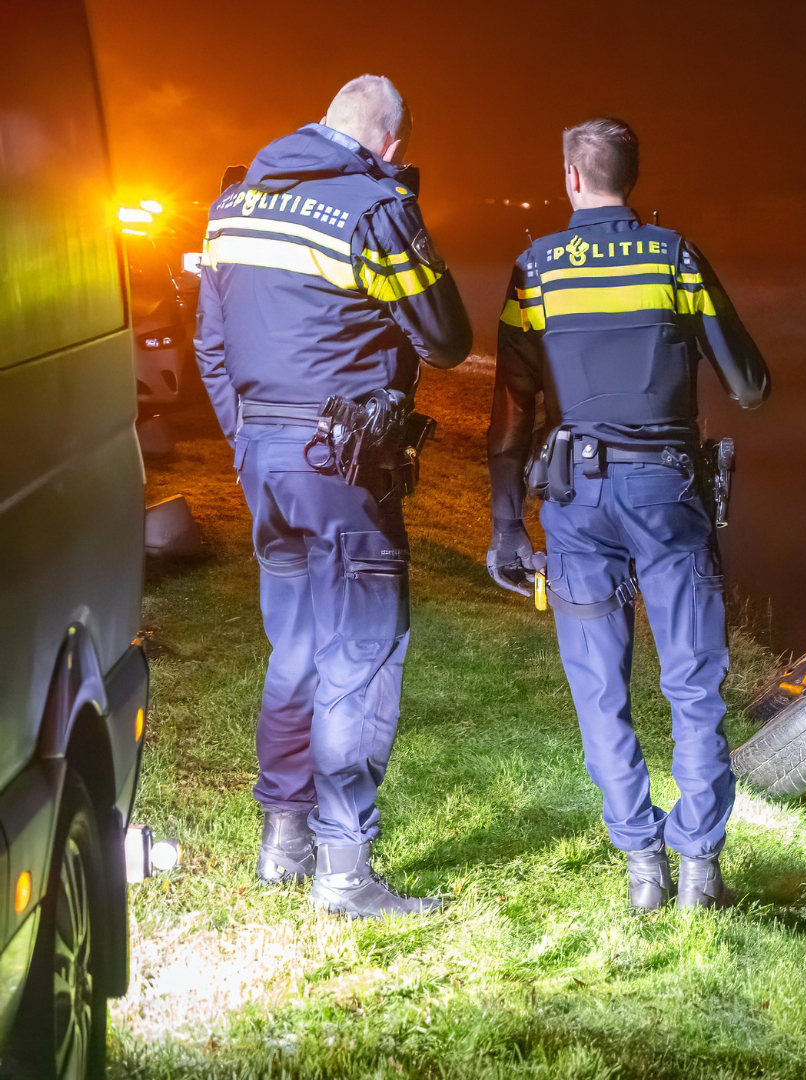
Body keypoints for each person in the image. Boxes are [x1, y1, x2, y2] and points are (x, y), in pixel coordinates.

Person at [194, 75, 472, 917]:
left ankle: (282, 842)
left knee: (297, 651)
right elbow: (449, 339)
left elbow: (212, 345)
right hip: (342, 465)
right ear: (389, 144)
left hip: (267, 461)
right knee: (360, 654)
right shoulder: (375, 210)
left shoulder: (234, 205)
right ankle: (345, 873)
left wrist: (247, 441)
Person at [487, 117, 770, 909]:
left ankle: (644, 867)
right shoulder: (674, 256)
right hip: (668, 498)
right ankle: (700, 868)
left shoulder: (534, 269)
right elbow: (749, 384)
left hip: (576, 504)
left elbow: (512, 411)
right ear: (629, 179)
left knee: (598, 688)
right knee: (693, 683)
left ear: (571, 178)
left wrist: (508, 522)